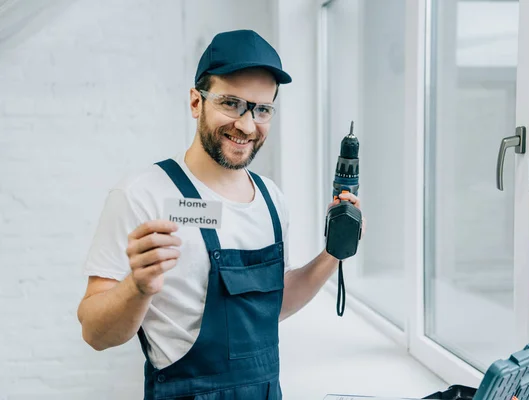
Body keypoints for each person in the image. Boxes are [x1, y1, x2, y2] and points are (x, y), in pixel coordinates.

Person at [77, 29, 362, 400]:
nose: (246, 124)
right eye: (230, 103)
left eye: (261, 109)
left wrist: (333, 254)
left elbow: (272, 307)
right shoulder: (141, 195)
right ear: (196, 102)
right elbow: (95, 335)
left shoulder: (271, 200)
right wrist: (138, 287)